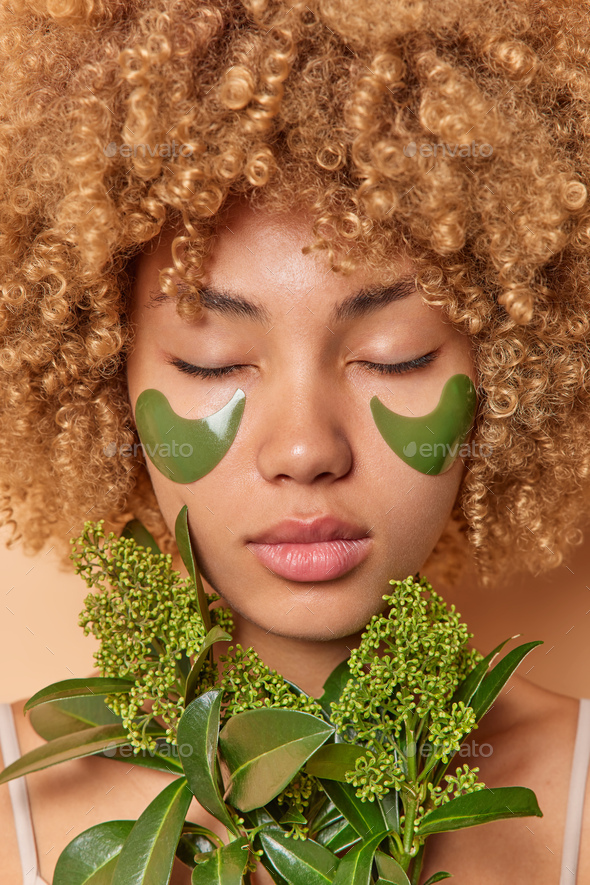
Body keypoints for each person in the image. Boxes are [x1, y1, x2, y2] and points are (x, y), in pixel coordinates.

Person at [0, 0, 589, 882]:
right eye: (211, 360)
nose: (306, 448)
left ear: (506, 370)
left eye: (396, 355)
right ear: (105, 379)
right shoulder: (15, 811)